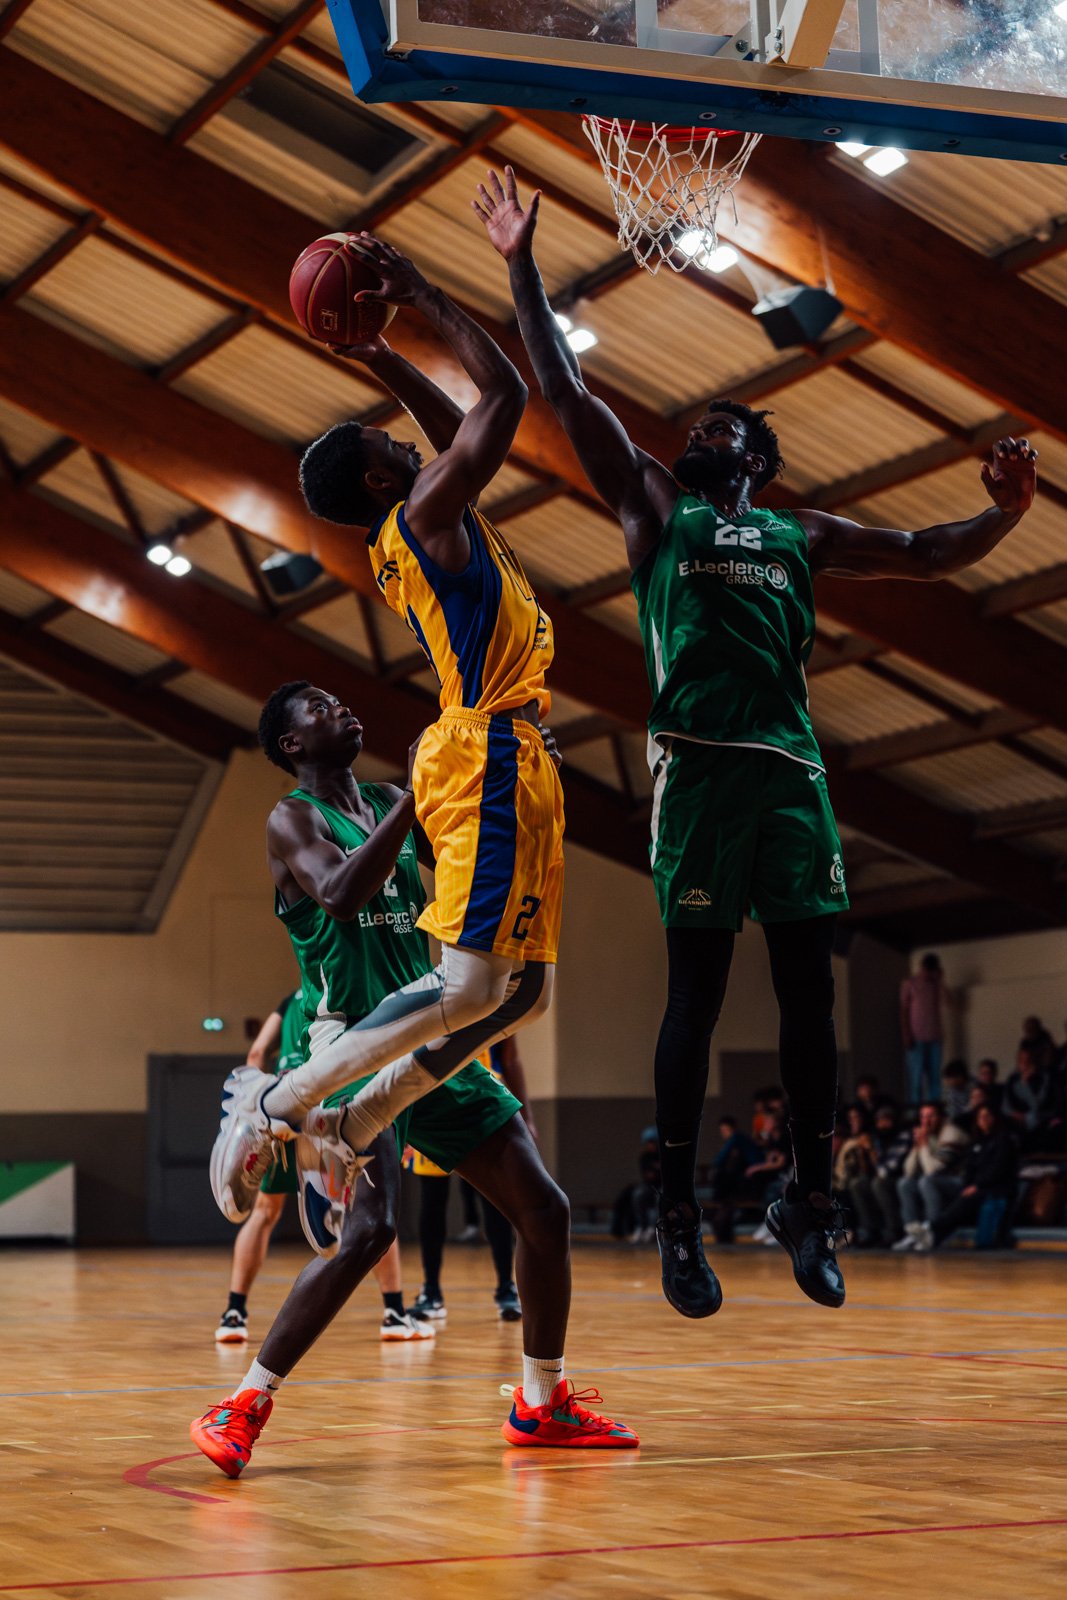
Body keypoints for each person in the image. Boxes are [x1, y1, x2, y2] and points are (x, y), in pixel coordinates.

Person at [474, 162, 1038, 1318]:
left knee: (805, 999)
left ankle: (808, 1204)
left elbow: (924, 553)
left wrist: (1002, 513)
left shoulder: (797, 531)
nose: (698, 431)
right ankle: (680, 1215)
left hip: (789, 777)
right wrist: (519, 263)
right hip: (695, 772)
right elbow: (562, 387)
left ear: (755, 461)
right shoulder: (652, 509)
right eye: (696, 424)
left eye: (719, 427)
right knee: (691, 998)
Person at [210, 235, 566, 1253]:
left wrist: (379, 353)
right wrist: (420, 295)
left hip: (512, 751)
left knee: (520, 993)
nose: (413, 444)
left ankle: (358, 1118)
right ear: (380, 478)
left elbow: (457, 429)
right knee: (468, 989)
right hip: (484, 751)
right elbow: (500, 400)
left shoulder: (422, 511)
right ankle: (286, 1098)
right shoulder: (423, 512)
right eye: (391, 444)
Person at [191, 692, 635, 1476]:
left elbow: (471, 856)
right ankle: (242, 1405)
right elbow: (340, 893)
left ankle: (542, 1402)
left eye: (340, 701)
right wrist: (414, 799)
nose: (342, 708)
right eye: (321, 708)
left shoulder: (391, 798)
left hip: (429, 1028)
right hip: (350, 1041)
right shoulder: (292, 819)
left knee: (544, 1211)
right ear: (292, 743)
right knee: (368, 1234)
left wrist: (516, 788)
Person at [410, 1038, 537, 1320]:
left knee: (496, 1202)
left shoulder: (495, 1009)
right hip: (434, 1097)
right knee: (432, 1201)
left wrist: (527, 1118)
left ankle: (507, 1288)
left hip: (482, 1098)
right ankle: (431, 1291)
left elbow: (511, 1058)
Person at [912, 1106, 1019, 1251]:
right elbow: (969, 1168)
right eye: (980, 1117)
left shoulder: (1004, 1141)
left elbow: (997, 1170)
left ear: (995, 1118)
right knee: (961, 1199)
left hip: (996, 1188)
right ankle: (931, 1235)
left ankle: (930, 1228)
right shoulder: (977, 1142)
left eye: (987, 1116)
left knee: (965, 1202)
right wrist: (968, 1185)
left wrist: (977, 1185)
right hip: (975, 1187)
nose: (983, 1120)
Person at [893, 1102, 970, 1250]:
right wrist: (916, 1147)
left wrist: (923, 1145)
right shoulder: (928, 1135)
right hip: (939, 1180)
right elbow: (908, 1171)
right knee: (904, 1183)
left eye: (931, 1116)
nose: (926, 1121)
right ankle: (914, 1232)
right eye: (923, 1117)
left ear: (942, 1117)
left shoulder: (952, 1134)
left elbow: (933, 1171)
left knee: (926, 1181)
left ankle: (933, 1231)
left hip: (961, 1182)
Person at [847, 1103, 911, 1247]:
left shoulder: (902, 1136)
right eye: (879, 1120)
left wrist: (870, 1149)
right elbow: (866, 1170)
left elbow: (887, 1170)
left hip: (899, 1177)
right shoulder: (877, 1137)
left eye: (886, 1120)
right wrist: (863, 1152)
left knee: (878, 1183)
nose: (882, 1124)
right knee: (857, 1183)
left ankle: (894, 1231)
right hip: (880, 1175)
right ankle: (870, 1231)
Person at [900, 954, 950, 1106]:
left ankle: (934, 1110)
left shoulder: (936, 984)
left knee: (935, 1078)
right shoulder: (910, 984)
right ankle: (916, 1111)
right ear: (922, 967)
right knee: (916, 1079)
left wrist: (941, 980)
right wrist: (906, 1035)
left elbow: (949, 1002)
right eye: (927, 970)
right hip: (916, 1039)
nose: (928, 973)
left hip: (935, 1037)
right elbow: (903, 1010)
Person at [707, 1116, 761, 1244]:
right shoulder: (738, 1142)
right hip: (744, 1179)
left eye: (725, 1130)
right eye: (722, 1131)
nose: (724, 1134)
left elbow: (719, 1160)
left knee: (722, 1178)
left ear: (732, 1129)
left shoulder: (737, 1138)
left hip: (751, 1178)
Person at [610, 1126, 662, 1243]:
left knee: (661, 1199)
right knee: (638, 1194)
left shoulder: (663, 1156)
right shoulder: (645, 1157)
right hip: (649, 1186)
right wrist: (656, 1171)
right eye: (648, 1143)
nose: (651, 1145)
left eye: (653, 1142)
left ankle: (653, 1228)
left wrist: (656, 1172)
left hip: (662, 1186)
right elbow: (648, 1175)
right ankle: (641, 1227)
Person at [942, 1059, 973, 1126]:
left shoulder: (974, 1088)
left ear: (960, 1077)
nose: (947, 1082)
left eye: (949, 1079)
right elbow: (952, 1111)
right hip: (957, 1121)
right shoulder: (953, 1091)